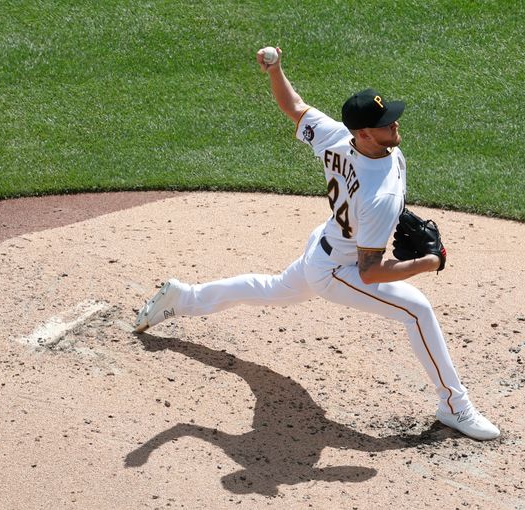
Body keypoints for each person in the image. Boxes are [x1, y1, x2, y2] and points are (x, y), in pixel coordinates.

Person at [133, 46, 500, 441]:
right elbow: (371, 271)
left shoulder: (337, 137)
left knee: (273, 289)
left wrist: (275, 69)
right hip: (336, 270)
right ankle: (455, 405)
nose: (395, 125)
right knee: (417, 311)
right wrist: (429, 263)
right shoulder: (381, 195)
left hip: (322, 245)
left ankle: (183, 297)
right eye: (385, 123)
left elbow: (294, 107)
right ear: (363, 133)